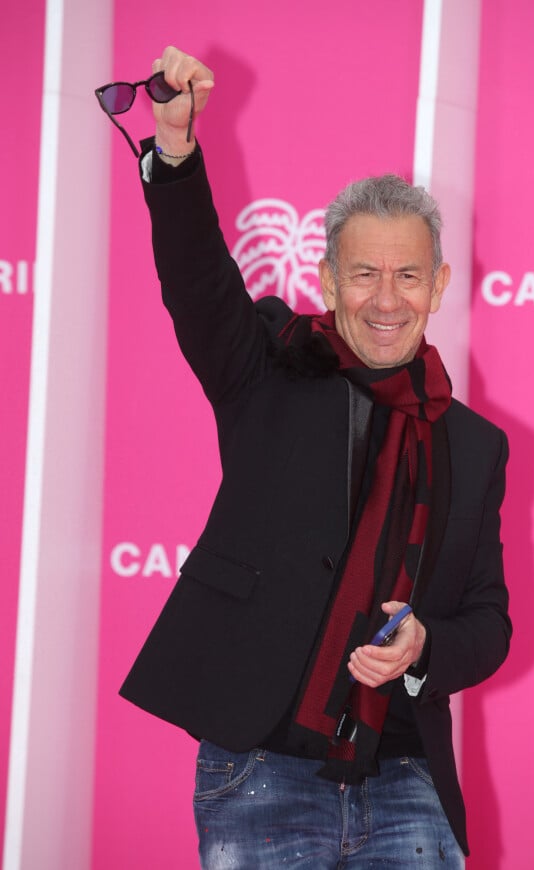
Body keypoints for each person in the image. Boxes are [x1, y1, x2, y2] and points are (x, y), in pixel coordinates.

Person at [119, 45, 511, 868]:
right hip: (261, 770)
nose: (385, 298)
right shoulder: (265, 367)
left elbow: (490, 624)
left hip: (406, 776)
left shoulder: (476, 445)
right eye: (363, 273)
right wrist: (176, 153)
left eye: (408, 275)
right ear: (328, 281)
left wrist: (425, 648)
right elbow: (196, 279)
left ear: (438, 287)